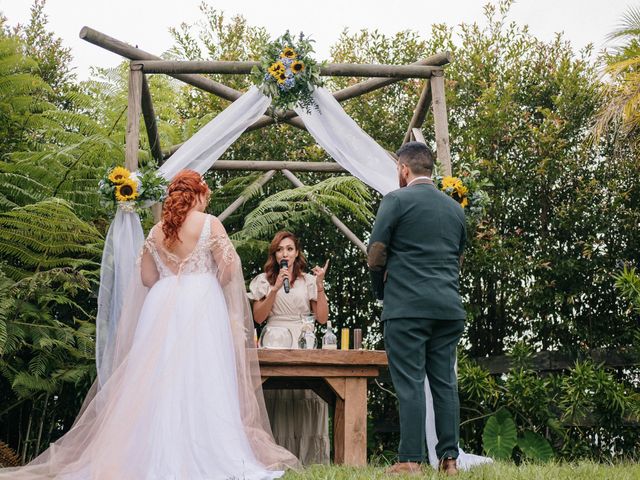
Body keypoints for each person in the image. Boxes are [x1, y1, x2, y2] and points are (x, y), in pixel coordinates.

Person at [0, 170, 298, 479]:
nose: (207, 200)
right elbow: (228, 273)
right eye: (205, 195)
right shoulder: (210, 225)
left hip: (162, 304)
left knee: (157, 378)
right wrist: (208, 275)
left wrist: (172, 276)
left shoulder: (157, 231)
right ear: (197, 194)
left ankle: (148, 454)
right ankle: (209, 452)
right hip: (201, 301)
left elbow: (146, 278)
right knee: (203, 374)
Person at [367, 142, 466, 476]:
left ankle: (410, 460)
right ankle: (449, 460)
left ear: (403, 169)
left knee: (409, 382)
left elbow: (376, 253)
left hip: (407, 307)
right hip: (448, 308)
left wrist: (382, 292)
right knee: (444, 383)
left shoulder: (395, 200)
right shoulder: (455, 210)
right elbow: (458, 259)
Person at [248, 231, 331, 465]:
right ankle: (274, 458)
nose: (285, 253)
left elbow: (322, 318)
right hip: (274, 338)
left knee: (307, 396)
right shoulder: (263, 280)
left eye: (289, 249)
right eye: (280, 250)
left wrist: (320, 286)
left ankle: (309, 460)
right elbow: (258, 317)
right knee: (277, 397)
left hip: (303, 338)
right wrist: (274, 289)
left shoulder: (309, 281)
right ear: (274, 255)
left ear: (297, 253)